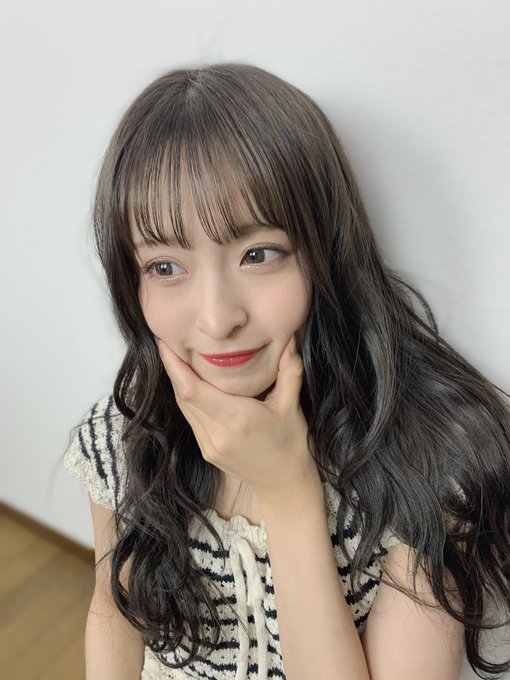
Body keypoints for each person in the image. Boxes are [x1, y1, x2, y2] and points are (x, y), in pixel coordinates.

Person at [64, 62, 510, 680]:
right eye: (165, 267)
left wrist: (289, 492)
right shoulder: (121, 435)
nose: (217, 319)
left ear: (325, 250)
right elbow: (112, 615)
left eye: (258, 254)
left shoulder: (429, 468)